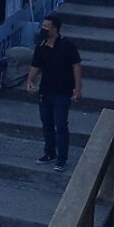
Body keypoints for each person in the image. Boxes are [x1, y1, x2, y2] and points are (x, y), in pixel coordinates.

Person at [26, 13, 82, 172]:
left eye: (46, 27)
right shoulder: (41, 46)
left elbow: (76, 66)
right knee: (47, 123)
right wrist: (30, 80)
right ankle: (49, 152)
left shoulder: (67, 45)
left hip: (62, 92)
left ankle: (62, 158)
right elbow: (35, 65)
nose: (43, 30)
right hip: (45, 91)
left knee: (61, 124)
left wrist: (77, 89)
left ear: (55, 29)